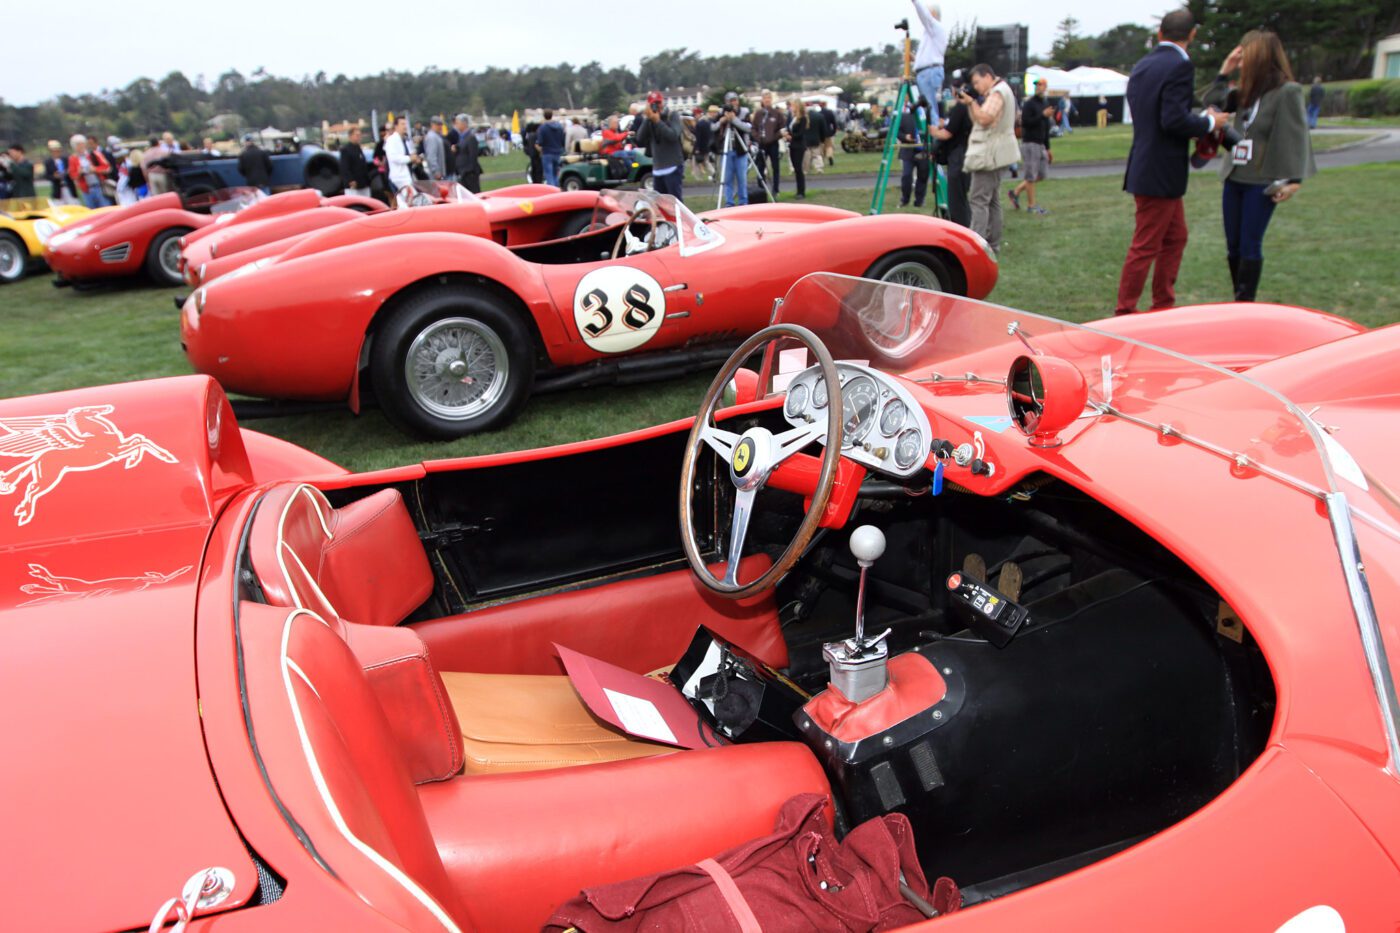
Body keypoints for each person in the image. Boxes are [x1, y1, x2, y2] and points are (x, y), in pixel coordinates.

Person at [1114, 9, 1226, 314]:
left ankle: (1163, 305)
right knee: (1147, 244)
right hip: (1159, 171)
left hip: (1148, 166)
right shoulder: (1179, 65)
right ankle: (1125, 311)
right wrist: (1209, 124)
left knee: (1176, 237)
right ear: (1191, 35)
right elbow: (1173, 119)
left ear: (1160, 33)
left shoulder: (1143, 65)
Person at [1205, 31, 1316, 302]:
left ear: (1260, 58)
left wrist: (1294, 180)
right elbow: (1211, 105)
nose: (1240, 61)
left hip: (1261, 180)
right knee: (1233, 247)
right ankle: (1238, 298)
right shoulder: (1244, 92)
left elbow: (1296, 136)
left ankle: (1245, 303)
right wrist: (1223, 72)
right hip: (1234, 177)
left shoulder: (1286, 91)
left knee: (1249, 245)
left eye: (1245, 56)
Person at [960, 64, 1020, 254]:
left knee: (978, 200)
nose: (976, 87)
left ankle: (976, 245)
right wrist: (972, 103)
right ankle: (993, 243)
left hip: (989, 155)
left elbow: (984, 119)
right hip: (997, 153)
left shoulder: (997, 92)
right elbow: (979, 119)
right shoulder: (1003, 90)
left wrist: (971, 103)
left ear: (987, 76)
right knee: (992, 200)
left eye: (977, 82)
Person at [1008, 79, 1055, 215]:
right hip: (1030, 143)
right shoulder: (1029, 104)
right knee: (1030, 176)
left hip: (1040, 143)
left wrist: (1048, 147)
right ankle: (1031, 206)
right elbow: (1026, 123)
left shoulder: (1045, 103)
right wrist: (1042, 115)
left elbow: (1045, 127)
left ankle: (1015, 192)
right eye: (1037, 85)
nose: (1039, 88)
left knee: (1041, 174)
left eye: (1041, 85)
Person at [931, 78, 974, 227]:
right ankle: (968, 225)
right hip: (966, 154)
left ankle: (962, 229)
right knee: (961, 197)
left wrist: (933, 131)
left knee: (956, 200)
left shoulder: (960, 108)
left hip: (958, 157)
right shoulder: (971, 108)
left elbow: (947, 134)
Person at [635, 90, 685, 198]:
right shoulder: (649, 120)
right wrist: (647, 119)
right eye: (654, 103)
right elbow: (639, 138)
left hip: (673, 165)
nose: (657, 106)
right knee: (661, 204)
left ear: (663, 101)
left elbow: (673, 136)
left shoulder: (672, 115)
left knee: (675, 203)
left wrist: (658, 122)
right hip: (657, 168)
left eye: (658, 102)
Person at [910, 1, 948, 119]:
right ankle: (933, 134)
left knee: (932, 110)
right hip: (927, 72)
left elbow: (924, 15)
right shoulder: (930, 33)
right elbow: (930, 57)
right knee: (929, 110)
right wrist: (915, 60)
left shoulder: (936, 27)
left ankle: (935, 136)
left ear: (933, 13)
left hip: (929, 73)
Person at [716, 91, 753, 207]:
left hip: (740, 150)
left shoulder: (744, 112)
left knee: (742, 179)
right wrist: (722, 121)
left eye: (735, 100)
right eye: (730, 101)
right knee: (727, 179)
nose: (733, 103)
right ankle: (729, 202)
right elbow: (712, 128)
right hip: (726, 150)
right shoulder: (721, 113)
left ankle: (743, 201)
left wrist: (734, 120)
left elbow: (748, 128)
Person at [897, 95, 931, 208]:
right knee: (906, 176)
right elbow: (896, 131)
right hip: (908, 150)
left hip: (924, 149)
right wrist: (904, 137)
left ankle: (919, 200)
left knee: (923, 176)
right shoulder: (904, 114)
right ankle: (905, 199)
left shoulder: (927, 113)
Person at [751, 90, 785, 197]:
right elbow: (754, 128)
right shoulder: (759, 114)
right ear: (762, 100)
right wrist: (757, 138)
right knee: (760, 167)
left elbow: (782, 129)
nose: (767, 100)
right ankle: (761, 189)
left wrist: (774, 137)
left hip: (773, 144)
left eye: (769, 98)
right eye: (765, 98)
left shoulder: (777, 113)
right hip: (762, 144)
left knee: (775, 167)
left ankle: (776, 189)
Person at [67, 134, 111, 208]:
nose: (81, 146)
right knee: (91, 209)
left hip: (99, 186)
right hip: (87, 189)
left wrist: (95, 169)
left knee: (105, 207)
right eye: (78, 145)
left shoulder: (94, 154)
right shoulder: (73, 159)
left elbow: (107, 167)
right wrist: (79, 173)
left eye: (82, 144)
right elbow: (73, 175)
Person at [786, 99, 817, 200]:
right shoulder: (792, 117)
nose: (791, 108)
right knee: (796, 168)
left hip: (799, 145)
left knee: (799, 168)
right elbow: (788, 127)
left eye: (793, 106)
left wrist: (791, 136)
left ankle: (801, 191)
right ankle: (798, 190)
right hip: (792, 145)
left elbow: (800, 133)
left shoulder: (802, 118)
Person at [384, 117, 420, 194]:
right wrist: (409, 158)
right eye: (402, 124)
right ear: (396, 126)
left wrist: (415, 158)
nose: (405, 126)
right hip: (399, 177)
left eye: (406, 124)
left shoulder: (406, 139)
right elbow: (393, 157)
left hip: (408, 174)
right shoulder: (391, 140)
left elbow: (411, 153)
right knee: (409, 199)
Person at [453, 114, 483, 193]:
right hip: (463, 172)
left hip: (469, 173)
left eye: (457, 123)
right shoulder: (462, 137)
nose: (456, 125)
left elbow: (473, 155)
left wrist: (469, 171)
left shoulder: (470, 137)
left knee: (473, 193)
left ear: (464, 124)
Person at [536, 110, 565, 187]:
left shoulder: (542, 128)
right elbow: (563, 140)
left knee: (549, 174)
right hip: (557, 152)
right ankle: (557, 188)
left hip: (547, 152)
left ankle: (552, 191)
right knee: (556, 174)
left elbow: (540, 142)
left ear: (544, 116)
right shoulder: (559, 127)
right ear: (552, 115)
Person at [339, 125, 371, 195]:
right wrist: (350, 180)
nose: (359, 137)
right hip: (353, 184)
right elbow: (345, 167)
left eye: (360, 135)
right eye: (357, 135)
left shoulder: (358, 148)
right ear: (350, 136)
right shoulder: (345, 150)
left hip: (363, 183)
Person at [691, 108, 714, 181]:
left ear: (698, 114)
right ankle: (713, 173)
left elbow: (698, 137)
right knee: (706, 161)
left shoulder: (699, 124)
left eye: (695, 115)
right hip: (706, 146)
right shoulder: (707, 122)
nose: (694, 116)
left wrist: (697, 148)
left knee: (696, 162)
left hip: (700, 147)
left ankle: (699, 178)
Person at [422, 117, 448, 182]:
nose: (440, 126)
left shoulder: (436, 136)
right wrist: (436, 171)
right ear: (432, 125)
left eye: (441, 124)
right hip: (436, 175)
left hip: (440, 173)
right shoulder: (432, 137)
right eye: (438, 124)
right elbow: (431, 156)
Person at [821, 99, 838, 166]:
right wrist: (833, 131)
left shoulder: (819, 113)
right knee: (829, 146)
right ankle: (830, 157)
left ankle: (822, 160)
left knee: (822, 147)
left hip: (821, 133)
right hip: (828, 132)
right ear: (826, 104)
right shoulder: (829, 112)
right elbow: (834, 123)